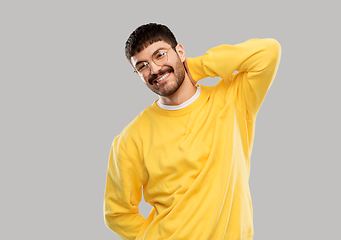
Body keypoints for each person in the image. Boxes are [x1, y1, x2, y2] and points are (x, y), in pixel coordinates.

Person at [104, 23, 281, 240]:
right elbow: (117, 213)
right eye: (142, 66)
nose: (154, 70)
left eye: (160, 55)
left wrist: (195, 68)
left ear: (180, 51)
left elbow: (268, 52)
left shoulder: (232, 99)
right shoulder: (130, 139)